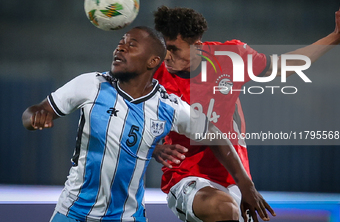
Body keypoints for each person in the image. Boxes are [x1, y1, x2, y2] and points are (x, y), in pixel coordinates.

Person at [22, 26, 271, 222]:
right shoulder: (91, 85)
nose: (120, 48)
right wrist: (35, 116)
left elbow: (215, 135)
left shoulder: (168, 105)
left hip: (126, 216)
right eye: (120, 43)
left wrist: (245, 185)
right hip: (72, 211)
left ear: (153, 61)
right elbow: (35, 110)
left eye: (131, 45)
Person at [152, 6, 340, 222]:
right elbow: (128, 116)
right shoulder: (154, 74)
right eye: (164, 48)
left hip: (232, 179)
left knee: (227, 208)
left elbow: (285, 66)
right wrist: (154, 147)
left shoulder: (231, 57)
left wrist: (335, 37)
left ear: (197, 46)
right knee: (223, 209)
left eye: (174, 49)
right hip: (185, 176)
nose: (167, 56)